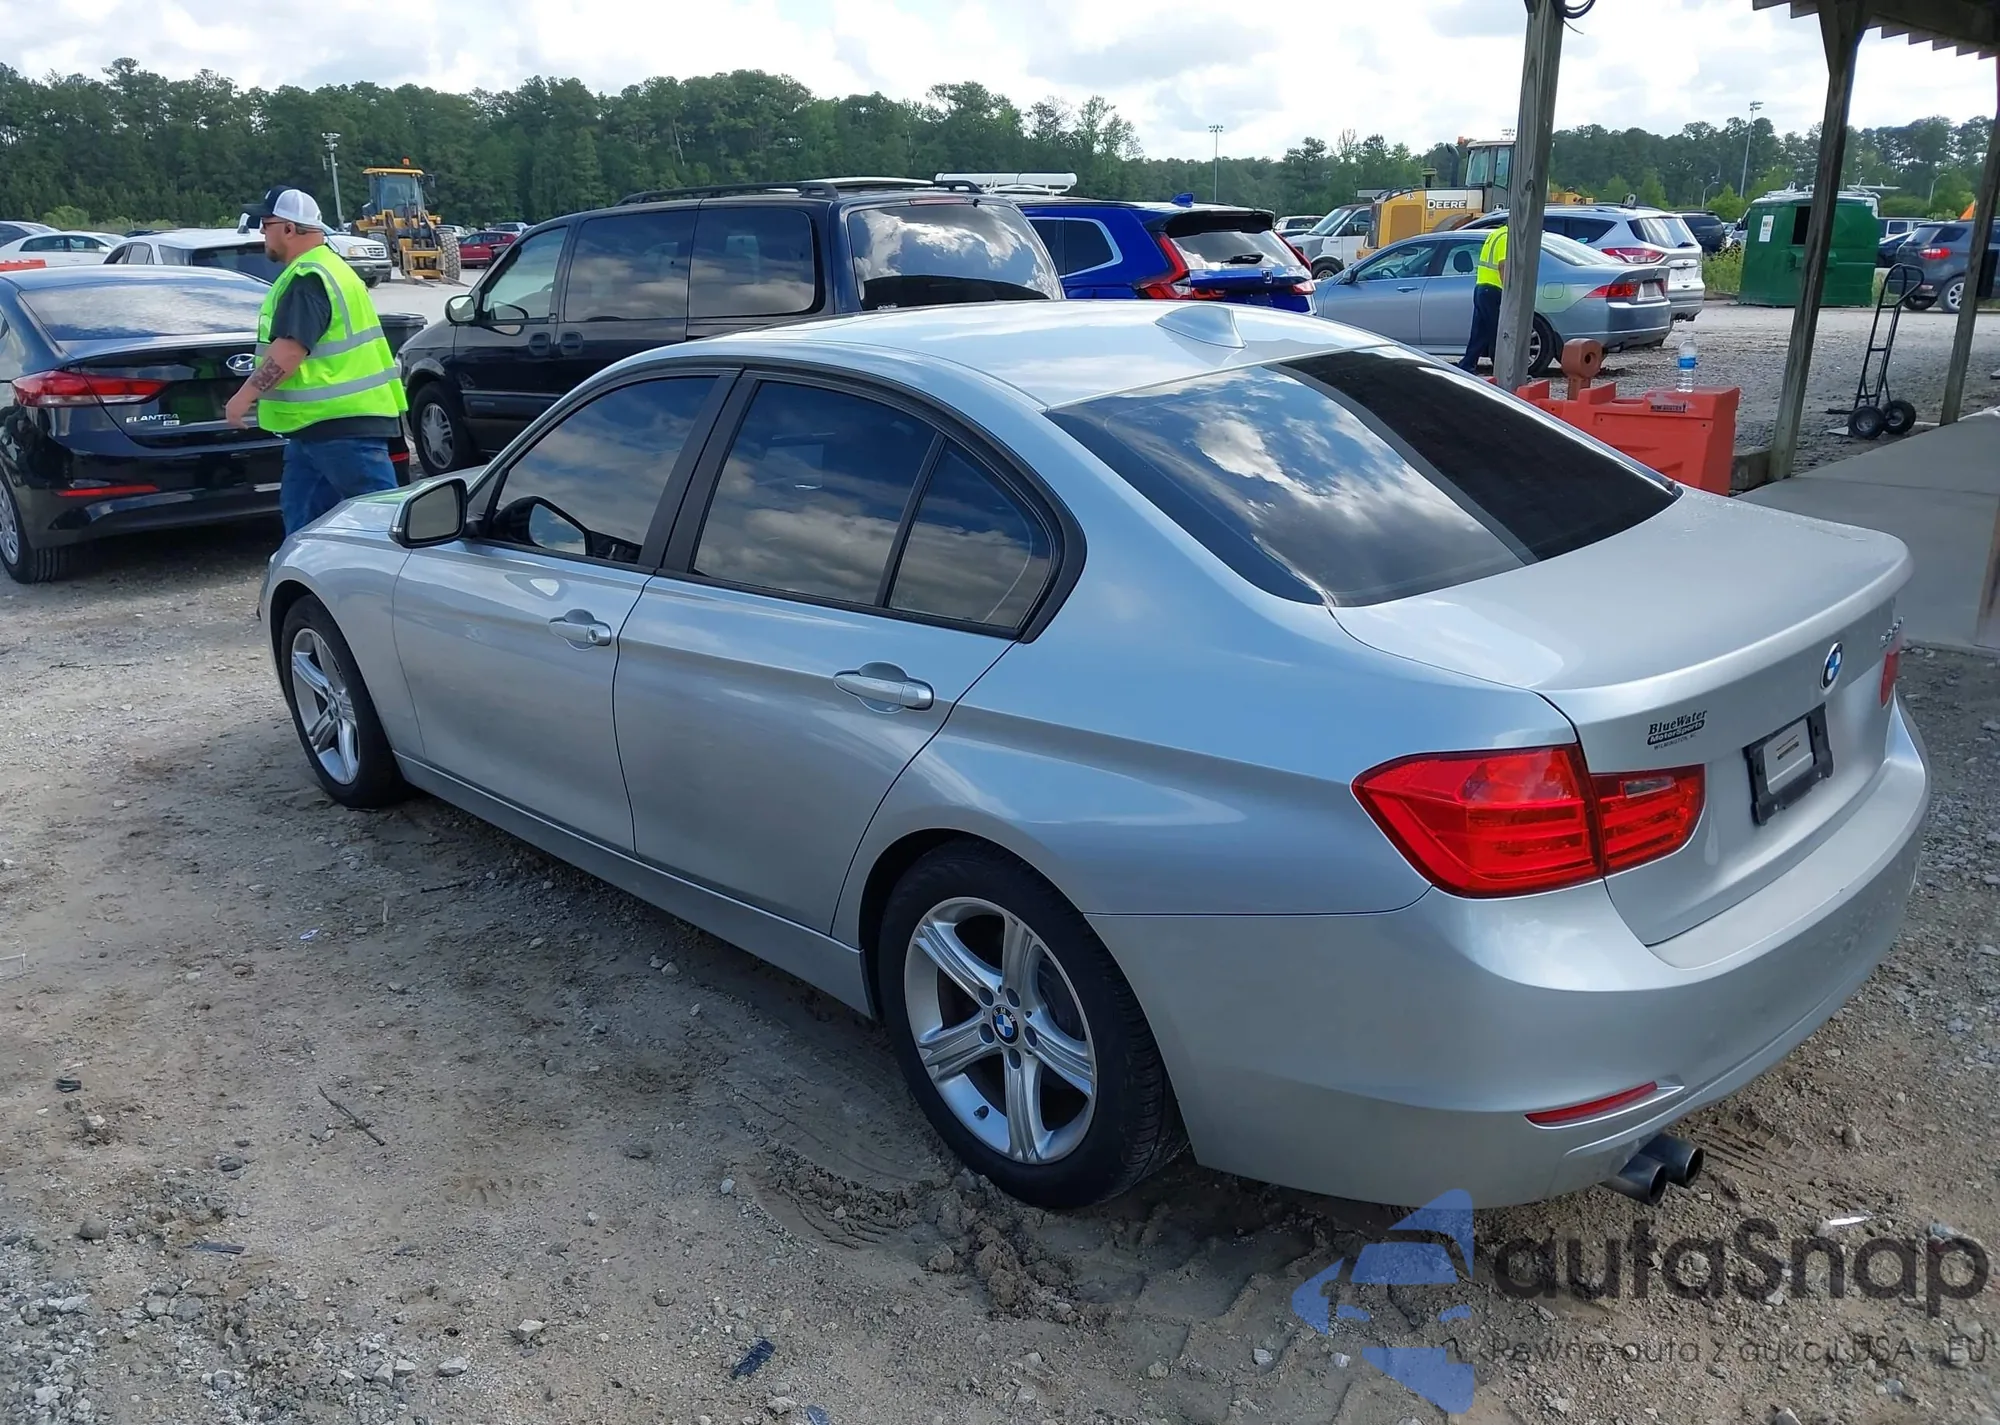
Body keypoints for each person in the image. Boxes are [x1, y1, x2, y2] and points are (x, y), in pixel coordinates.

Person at [224, 187, 406, 533]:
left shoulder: (309, 277)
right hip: (318, 429)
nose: (262, 231)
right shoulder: (329, 268)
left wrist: (244, 397)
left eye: (266, 223)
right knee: (305, 528)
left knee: (384, 527)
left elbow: (290, 350)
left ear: (289, 228)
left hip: (340, 430)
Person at [1458, 220, 1507, 373]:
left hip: (1482, 287)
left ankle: (1467, 366)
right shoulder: (1507, 237)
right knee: (1497, 332)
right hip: (1493, 289)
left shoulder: (1495, 234)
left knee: (1480, 332)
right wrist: (1509, 291)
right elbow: (1503, 265)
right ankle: (1503, 369)